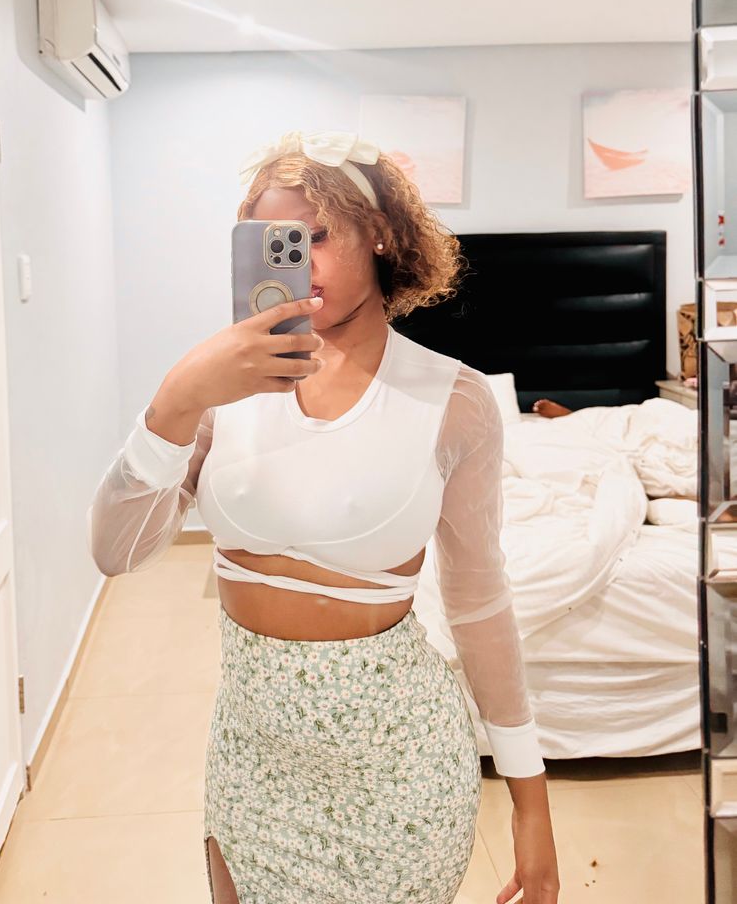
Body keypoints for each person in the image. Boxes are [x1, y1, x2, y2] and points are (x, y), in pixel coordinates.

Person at [86, 130, 560, 904]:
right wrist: (175, 400)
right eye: (274, 245)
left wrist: (529, 802)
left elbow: (479, 601)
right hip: (252, 758)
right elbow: (116, 552)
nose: (298, 265)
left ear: (380, 234)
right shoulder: (219, 388)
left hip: (400, 766)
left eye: (316, 237)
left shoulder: (453, 400)